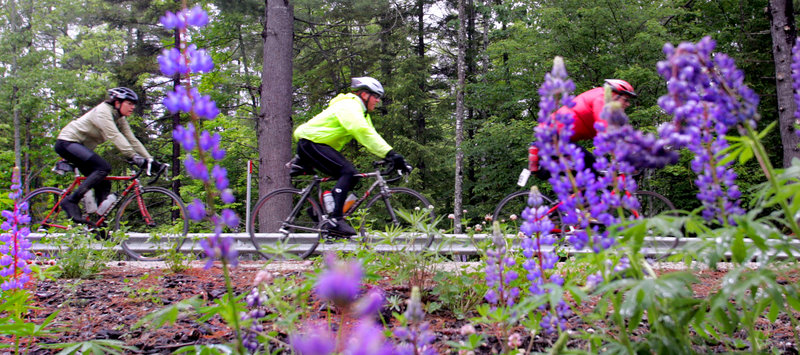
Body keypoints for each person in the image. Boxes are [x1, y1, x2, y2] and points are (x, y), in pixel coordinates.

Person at [293, 77, 411, 236]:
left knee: (353, 176)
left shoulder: (362, 112)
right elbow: (362, 131)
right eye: (376, 96)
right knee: (348, 171)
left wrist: (393, 158)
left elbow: (371, 137)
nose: (377, 101)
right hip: (311, 142)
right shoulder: (349, 105)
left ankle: (320, 212)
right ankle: (336, 220)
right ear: (364, 95)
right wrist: (390, 154)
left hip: (317, 144)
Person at [55, 87, 164, 224]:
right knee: (103, 168)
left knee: (104, 183)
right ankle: (71, 201)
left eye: (134, 104)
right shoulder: (103, 112)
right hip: (67, 142)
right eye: (129, 103)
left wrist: (150, 160)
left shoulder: (119, 117)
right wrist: (133, 157)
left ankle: (98, 224)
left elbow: (132, 139)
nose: (133, 107)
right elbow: (114, 135)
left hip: (79, 147)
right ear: (117, 103)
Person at [535, 79, 637, 178]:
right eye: (626, 100)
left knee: (590, 171)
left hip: (560, 136)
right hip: (553, 132)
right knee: (590, 168)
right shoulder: (601, 99)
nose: (628, 104)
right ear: (615, 95)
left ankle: (573, 191)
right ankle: (543, 168)